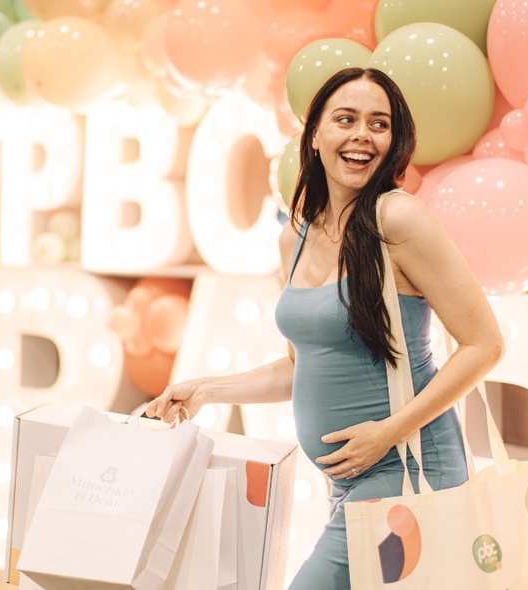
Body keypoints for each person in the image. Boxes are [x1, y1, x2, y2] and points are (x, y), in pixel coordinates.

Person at [146, 67, 505, 589]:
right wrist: (204, 389)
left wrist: (388, 433)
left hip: (408, 469)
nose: (362, 134)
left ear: (394, 141)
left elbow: (485, 345)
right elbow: (301, 368)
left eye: (378, 124)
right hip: (346, 481)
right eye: (346, 119)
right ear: (314, 135)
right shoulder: (293, 239)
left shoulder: (398, 219)